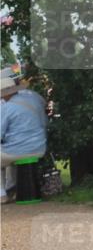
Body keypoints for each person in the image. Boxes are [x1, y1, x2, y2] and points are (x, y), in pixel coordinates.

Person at [1, 68, 48, 204]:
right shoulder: (34, 97)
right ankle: (15, 189)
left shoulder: (6, 107)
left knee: (4, 156)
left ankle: (1, 195)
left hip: (19, 151)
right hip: (40, 147)